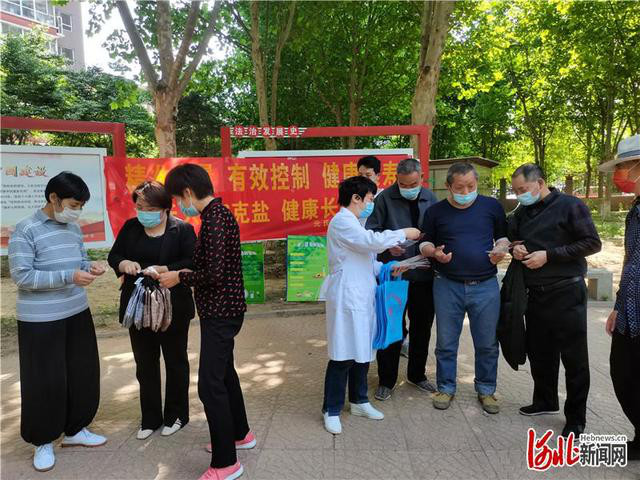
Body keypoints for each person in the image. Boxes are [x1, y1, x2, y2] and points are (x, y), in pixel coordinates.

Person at [8, 172, 107, 472]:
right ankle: (43, 441)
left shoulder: (72, 228)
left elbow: (78, 260)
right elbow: (22, 276)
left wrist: (89, 266)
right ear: (54, 198)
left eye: (80, 206)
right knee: (45, 380)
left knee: (82, 373)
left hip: (76, 310)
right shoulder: (26, 229)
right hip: (40, 319)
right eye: (74, 205)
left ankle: (76, 429)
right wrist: (69, 276)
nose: (77, 211)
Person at [159, 164, 253, 480]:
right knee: (224, 374)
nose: (179, 205)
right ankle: (240, 433)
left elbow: (213, 273)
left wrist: (180, 277)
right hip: (223, 309)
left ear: (187, 192)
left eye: (177, 199)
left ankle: (226, 464)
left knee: (210, 386)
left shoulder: (214, 219)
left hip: (221, 312)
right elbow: (212, 266)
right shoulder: (216, 215)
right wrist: (182, 272)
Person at [320, 176, 421, 435]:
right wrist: (404, 233)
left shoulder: (355, 224)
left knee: (363, 350)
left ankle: (359, 401)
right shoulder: (342, 221)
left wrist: (389, 267)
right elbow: (370, 243)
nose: (371, 204)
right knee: (343, 353)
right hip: (347, 297)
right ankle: (331, 409)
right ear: (356, 198)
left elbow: (366, 261)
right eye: (369, 199)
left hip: (363, 295)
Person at [509, 163, 601, 438]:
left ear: (540, 183)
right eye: (516, 191)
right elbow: (513, 239)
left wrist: (549, 255)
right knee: (540, 352)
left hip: (566, 291)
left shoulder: (571, 206)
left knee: (574, 358)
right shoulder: (523, 212)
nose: (520, 195)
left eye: (523, 189)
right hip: (534, 293)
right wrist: (516, 248)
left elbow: (592, 243)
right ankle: (545, 400)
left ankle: (576, 418)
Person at [107, 181, 196, 441]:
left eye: (149, 208)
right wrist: (124, 263)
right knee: (145, 362)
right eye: (139, 207)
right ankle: (150, 418)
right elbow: (115, 256)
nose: (143, 212)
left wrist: (164, 269)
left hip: (173, 305)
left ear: (165, 208)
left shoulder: (182, 230)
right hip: (138, 305)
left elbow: (192, 261)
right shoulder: (131, 227)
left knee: (175, 360)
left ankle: (176, 415)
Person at [419, 162, 509, 414]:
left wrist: (501, 249)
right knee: (446, 342)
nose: (466, 191)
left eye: (471, 185)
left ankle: (486, 389)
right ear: (448, 186)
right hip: (447, 285)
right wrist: (434, 253)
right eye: (460, 187)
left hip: (485, 285)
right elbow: (424, 243)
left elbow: (503, 237)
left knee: (487, 342)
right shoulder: (436, 211)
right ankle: (446, 387)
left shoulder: (491, 206)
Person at [366, 158, 439, 401]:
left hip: (424, 275)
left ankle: (417, 375)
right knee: (392, 326)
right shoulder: (384, 199)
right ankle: (386, 380)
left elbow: (438, 231)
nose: (409, 188)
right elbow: (372, 232)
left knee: (422, 328)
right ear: (396, 179)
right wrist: (389, 246)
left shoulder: (431, 198)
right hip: (394, 276)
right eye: (403, 184)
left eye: (413, 184)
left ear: (421, 178)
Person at [601, 134, 640, 461]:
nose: (620, 173)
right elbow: (631, 262)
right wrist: (617, 305)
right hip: (630, 309)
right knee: (624, 374)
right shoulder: (635, 209)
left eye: (625, 166)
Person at [357, 156, 384, 226]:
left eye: (368, 175)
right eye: (360, 175)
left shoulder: (384, 196)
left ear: (378, 176)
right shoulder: (354, 197)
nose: (363, 179)